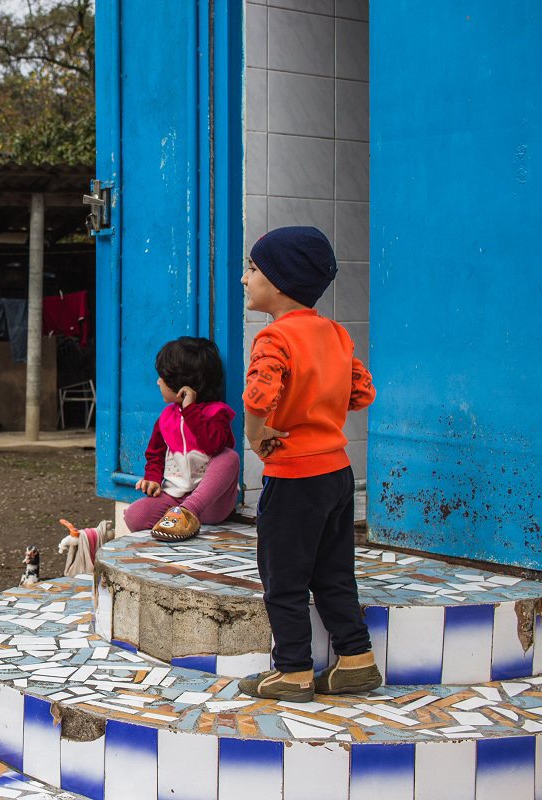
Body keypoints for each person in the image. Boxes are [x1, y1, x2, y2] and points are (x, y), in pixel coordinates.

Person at [236, 226, 379, 702]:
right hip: (337, 474)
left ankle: (293, 671)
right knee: (335, 572)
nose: (244, 278)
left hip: (295, 477)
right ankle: (356, 661)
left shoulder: (275, 338)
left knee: (283, 578)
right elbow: (362, 393)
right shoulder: (336, 334)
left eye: (252, 269)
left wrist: (257, 435)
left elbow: (258, 395)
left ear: (278, 281)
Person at [122, 337, 240, 542]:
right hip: (175, 497)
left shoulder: (216, 413)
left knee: (229, 457)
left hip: (211, 505)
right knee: (135, 516)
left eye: (163, 378)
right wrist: (152, 478)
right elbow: (155, 452)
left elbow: (213, 446)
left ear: (183, 386)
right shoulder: (166, 417)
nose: (158, 382)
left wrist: (190, 410)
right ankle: (181, 519)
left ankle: (188, 513)